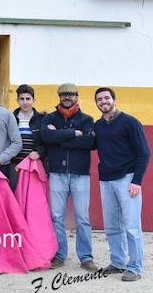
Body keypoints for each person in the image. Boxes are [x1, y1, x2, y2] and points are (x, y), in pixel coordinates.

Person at [94, 87, 150, 282]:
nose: (103, 102)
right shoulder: (98, 125)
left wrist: (137, 181)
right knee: (111, 226)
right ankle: (118, 262)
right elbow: (86, 141)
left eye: (106, 98)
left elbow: (144, 153)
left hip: (128, 179)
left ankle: (135, 267)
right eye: (99, 99)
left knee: (132, 226)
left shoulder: (130, 122)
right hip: (106, 180)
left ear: (114, 100)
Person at [41, 83, 97, 271]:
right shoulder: (50, 117)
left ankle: (86, 257)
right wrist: (73, 134)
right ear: (59, 97)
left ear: (77, 96)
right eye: (63, 94)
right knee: (57, 217)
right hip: (57, 174)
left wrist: (61, 140)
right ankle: (59, 254)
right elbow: (47, 137)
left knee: (83, 218)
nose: (67, 97)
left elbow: (89, 142)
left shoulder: (87, 119)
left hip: (80, 175)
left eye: (71, 94)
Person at [10, 84, 47, 192]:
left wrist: (39, 152)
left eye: (28, 99)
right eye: (22, 99)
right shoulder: (10, 118)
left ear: (33, 100)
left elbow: (49, 142)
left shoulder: (42, 119)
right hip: (14, 165)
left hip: (33, 165)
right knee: (15, 197)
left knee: (32, 200)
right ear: (17, 100)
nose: (25, 102)